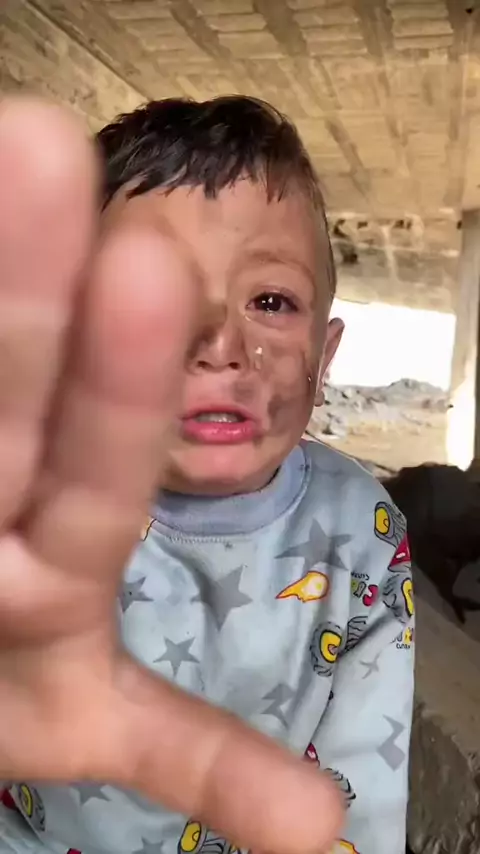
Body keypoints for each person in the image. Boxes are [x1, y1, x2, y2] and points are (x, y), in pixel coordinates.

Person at [0, 94, 414, 854]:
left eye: (270, 301)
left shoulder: (363, 530)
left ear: (324, 358)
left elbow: (364, 792)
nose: (219, 343)